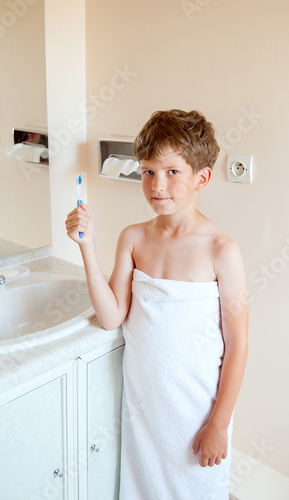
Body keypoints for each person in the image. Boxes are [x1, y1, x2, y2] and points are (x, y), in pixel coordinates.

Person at [65, 109, 249, 499]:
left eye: (171, 172)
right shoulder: (133, 238)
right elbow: (112, 316)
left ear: (202, 177)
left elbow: (237, 344)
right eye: (147, 172)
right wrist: (87, 248)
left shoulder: (222, 251)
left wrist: (219, 423)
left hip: (196, 407)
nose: (156, 185)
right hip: (146, 407)